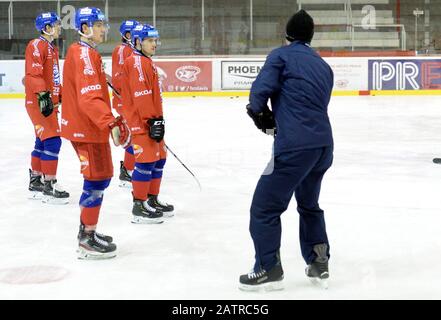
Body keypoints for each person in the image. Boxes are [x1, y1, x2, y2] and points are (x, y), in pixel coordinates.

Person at [239, 9, 334, 291]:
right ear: (310, 37)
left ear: (287, 35)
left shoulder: (280, 56)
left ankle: (268, 268)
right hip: (323, 147)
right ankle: (319, 261)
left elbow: (260, 91)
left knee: (264, 208)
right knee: (309, 204)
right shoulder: (322, 65)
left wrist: (259, 113)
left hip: (294, 147)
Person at [61, 7, 131, 259]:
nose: (104, 29)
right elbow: (89, 96)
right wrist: (110, 122)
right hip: (87, 128)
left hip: (86, 126)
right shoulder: (84, 55)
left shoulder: (83, 52)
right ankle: (86, 238)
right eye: (98, 24)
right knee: (96, 179)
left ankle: (87, 230)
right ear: (84, 27)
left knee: (100, 178)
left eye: (103, 24)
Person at [120, 23, 174, 224]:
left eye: (155, 40)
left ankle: (152, 199)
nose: (154, 44)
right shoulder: (136, 62)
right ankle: (139, 205)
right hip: (143, 122)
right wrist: (152, 120)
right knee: (146, 161)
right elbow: (141, 95)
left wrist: (157, 119)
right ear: (137, 41)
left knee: (159, 159)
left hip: (152, 120)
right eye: (150, 40)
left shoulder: (145, 60)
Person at [25, 12, 69, 204]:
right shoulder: (37, 45)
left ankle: (35, 180)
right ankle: (49, 184)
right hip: (39, 102)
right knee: (53, 141)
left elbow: (53, 78)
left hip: (48, 101)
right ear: (46, 28)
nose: (59, 27)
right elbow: (33, 74)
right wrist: (43, 96)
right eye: (56, 24)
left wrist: (61, 95)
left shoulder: (51, 47)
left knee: (42, 141)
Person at [111, 20, 139, 187]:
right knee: (133, 136)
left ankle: (128, 169)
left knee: (134, 135)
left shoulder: (129, 49)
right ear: (127, 34)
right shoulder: (124, 50)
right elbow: (122, 77)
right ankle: (127, 171)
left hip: (127, 99)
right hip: (125, 101)